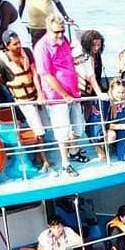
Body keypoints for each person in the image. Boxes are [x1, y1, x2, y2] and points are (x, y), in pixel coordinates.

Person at [0, 31, 51, 173]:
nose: (19, 46)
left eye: (19, 42)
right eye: (15, 44)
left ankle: (38, 157)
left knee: (45, 126)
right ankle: (45, 161)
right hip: (23, 101)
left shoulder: (27, 52)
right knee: (39, 130)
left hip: (35, 96)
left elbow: (34, 73)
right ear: (7, 46)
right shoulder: (2, 62)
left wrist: (40, 94)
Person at [33, 14, 87, 175]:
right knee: (62, 130)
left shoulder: (64, 42)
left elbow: (70, 64)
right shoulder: (42, 47)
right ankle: (65, 163)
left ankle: (73, 151)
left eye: (62, 31)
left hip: (73, 93)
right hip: (57, 98)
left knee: (79, 126)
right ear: (48, 29)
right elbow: (46, 75)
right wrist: (64, 94)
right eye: (57, 32)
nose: (60, 35)